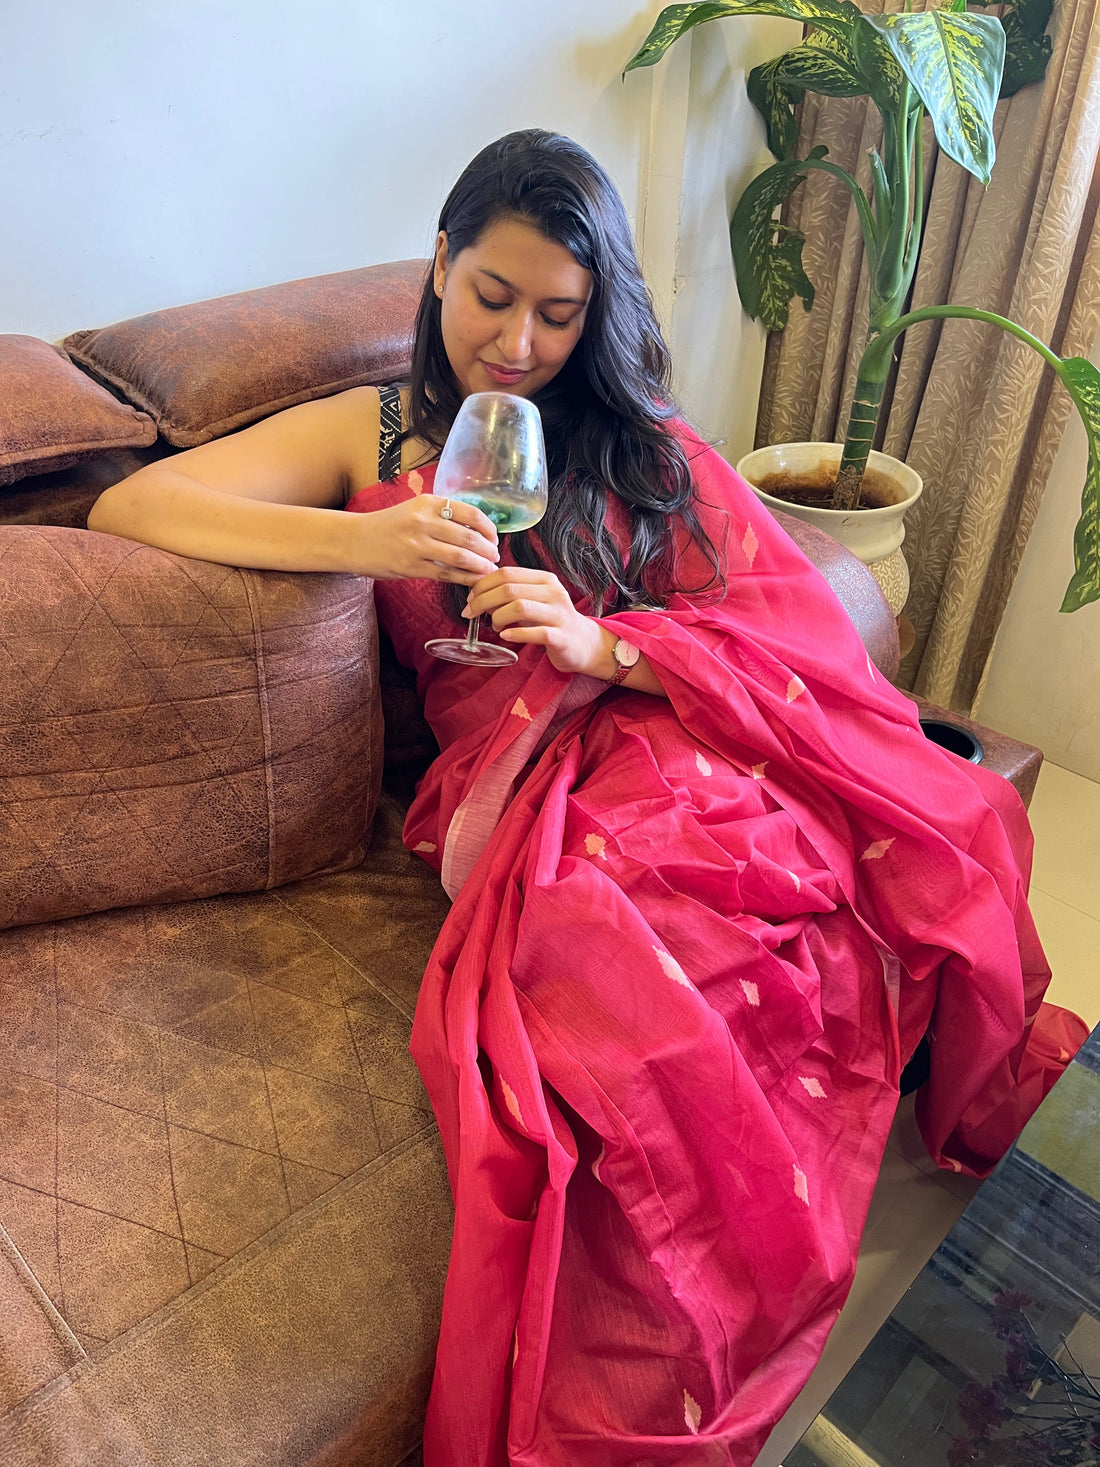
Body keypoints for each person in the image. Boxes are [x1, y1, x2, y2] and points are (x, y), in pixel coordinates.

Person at [88, 130, 1085, 1467]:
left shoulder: (628, 437)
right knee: (620, 975)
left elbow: (786, 627)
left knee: (783, 914)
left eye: (560, 315)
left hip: (663, 732)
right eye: (492, 297)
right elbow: (136, 511)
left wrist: (605, 642)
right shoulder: (374, 428)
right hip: (518, 779)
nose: (518, 346)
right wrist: (371, 538)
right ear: (440, 265)